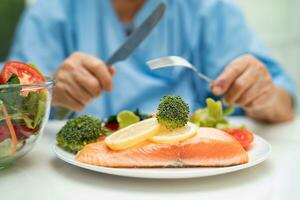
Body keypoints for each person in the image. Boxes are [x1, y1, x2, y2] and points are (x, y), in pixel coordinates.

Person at [8, 0, 296, 122]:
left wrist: (263, 95)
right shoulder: (51, 12)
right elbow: (9, 106)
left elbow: (284, 104)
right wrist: (48, 90)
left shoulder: (207, 9)